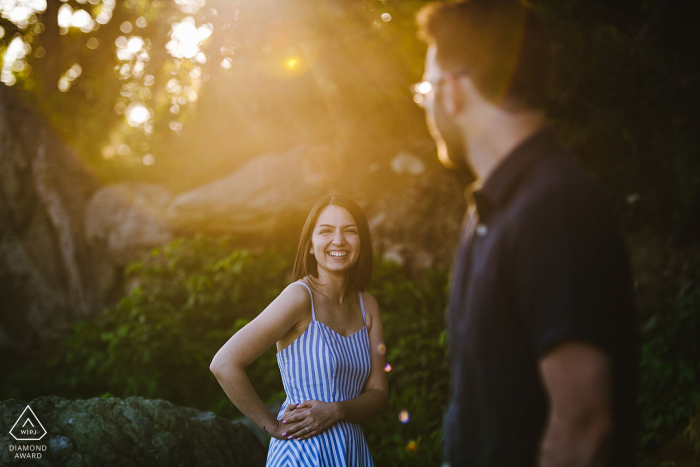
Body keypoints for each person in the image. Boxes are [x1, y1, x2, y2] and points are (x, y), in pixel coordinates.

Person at [413, 1, 638, 466]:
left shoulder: (555, 207)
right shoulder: (490, 209)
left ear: (452, 91)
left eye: (425, 89)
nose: (427, 105)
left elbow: (583, 425)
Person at [210, 194, 387, 467]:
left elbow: (378, 394)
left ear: (361, 242)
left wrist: (337, 410)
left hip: (352, 453)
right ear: (310, 246)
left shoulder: (368, 306)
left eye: (349, 231)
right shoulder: (299, 297)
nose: (338, 240)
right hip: (303, 452)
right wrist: (274, 427)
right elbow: (224, 363)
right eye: (326, 231)